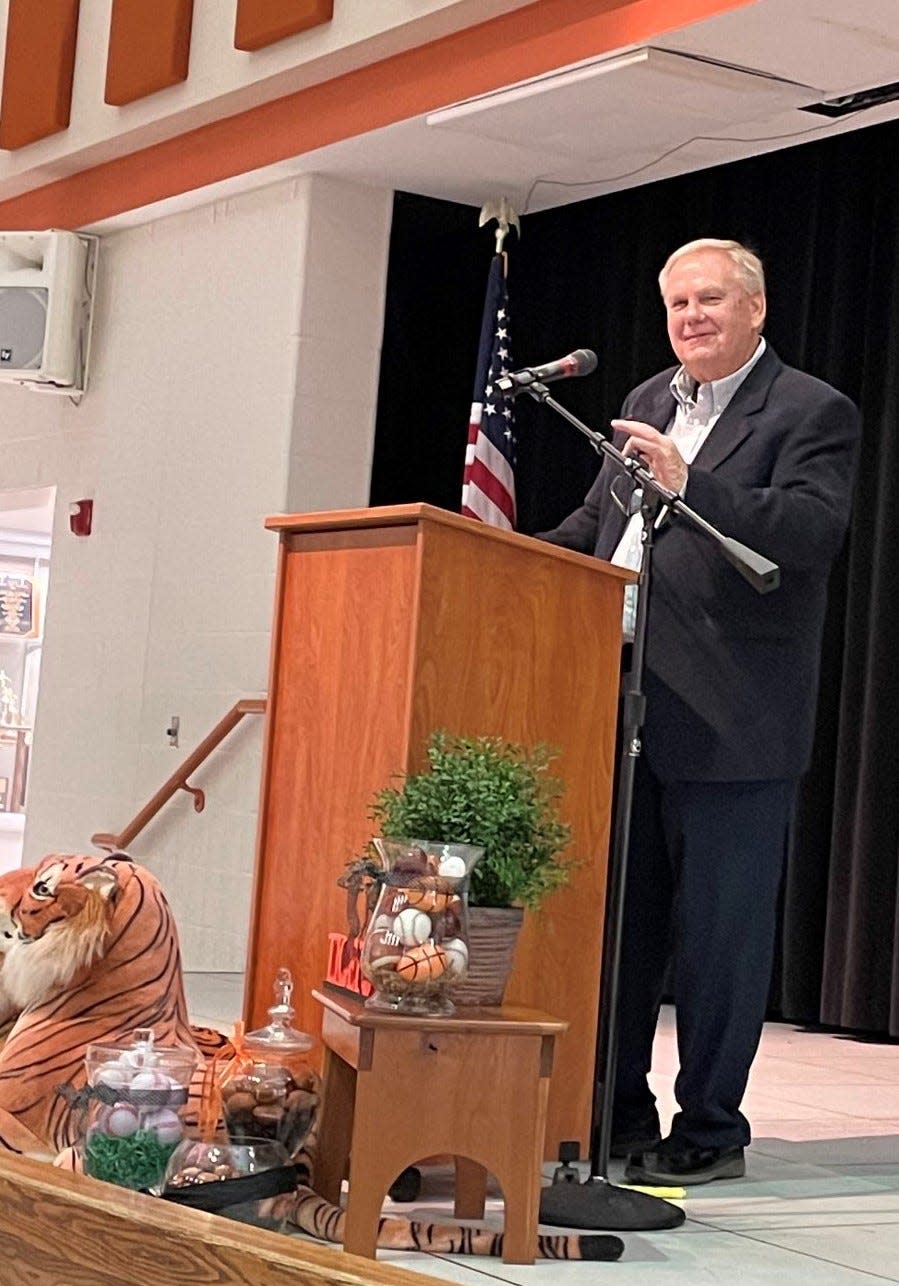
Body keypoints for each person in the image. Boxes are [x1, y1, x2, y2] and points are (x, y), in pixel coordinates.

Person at [538, 238, 860, 1185]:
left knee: (719, 944)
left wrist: (695, 482)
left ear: (755, 308)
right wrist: (496, 549)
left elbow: (810, 532)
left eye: (709, 299)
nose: (690, 317)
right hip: (626, 703)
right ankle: (619, 1110)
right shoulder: (646, 400)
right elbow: (599, 527)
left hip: (736, 722)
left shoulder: (809, 409)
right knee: (622, 932)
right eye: (677, 302)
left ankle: (711, 1127)